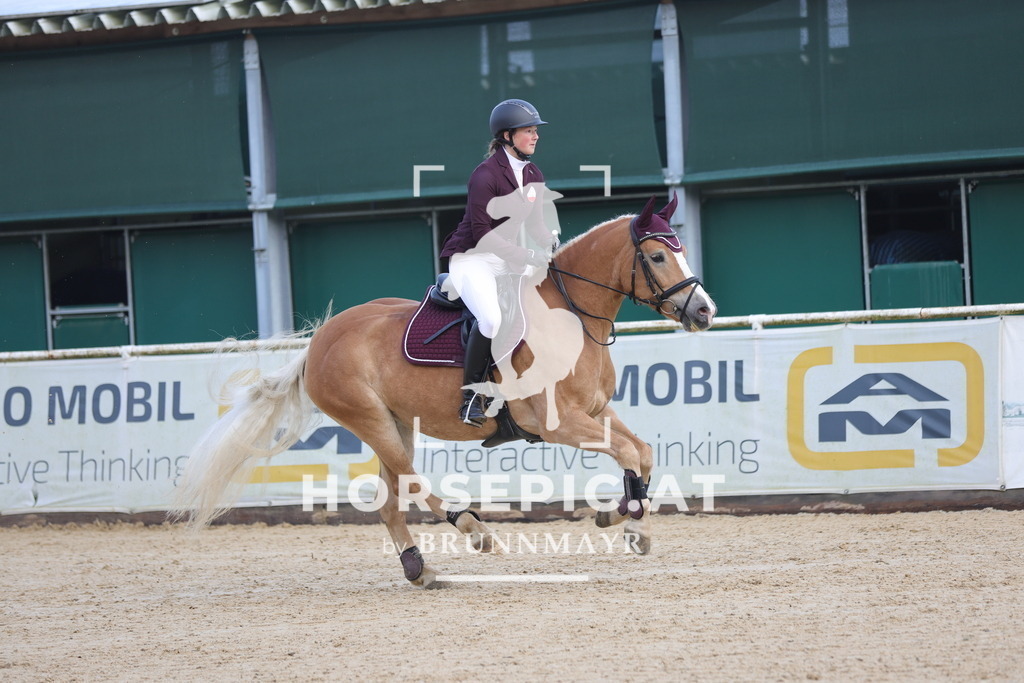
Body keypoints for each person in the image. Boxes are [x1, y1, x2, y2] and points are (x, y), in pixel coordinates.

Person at [439, 99, 557, 427]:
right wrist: (526, 256)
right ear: (507, 136)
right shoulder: (485, 175)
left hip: (505, 260)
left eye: (535, 131)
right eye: (529, 131)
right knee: (491, 320)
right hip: (471, 259)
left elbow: (533, 225)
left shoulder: (533, 173)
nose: (535, 136)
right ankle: (470, 398)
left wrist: (549, 239)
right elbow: (482, 233)